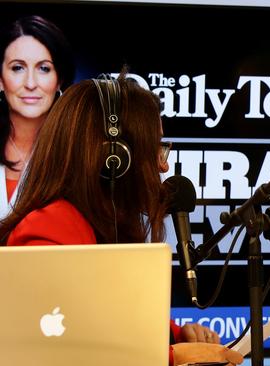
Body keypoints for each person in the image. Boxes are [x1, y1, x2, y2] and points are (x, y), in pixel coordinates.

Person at [0, 72, 243, 366]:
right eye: (155, 146)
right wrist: (174, 356)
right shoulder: (48, 228)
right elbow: (70, 347)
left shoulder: (106, 226)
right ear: (114, 158)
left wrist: (180, 335)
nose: (163, 164)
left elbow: (117, 325)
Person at [0, 15, 74, 218]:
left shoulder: (76, 153)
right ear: (0, 79)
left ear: (59, 80)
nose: (31, 83)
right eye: (17, 68)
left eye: (44, 68)